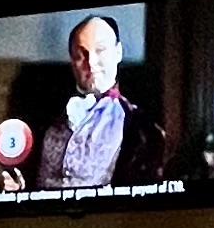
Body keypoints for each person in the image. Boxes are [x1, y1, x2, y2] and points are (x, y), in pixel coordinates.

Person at [25, 13, 162, 193]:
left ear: (118, 53)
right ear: (72, 60)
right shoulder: (41, 113)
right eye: (81, 54)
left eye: (100, 50)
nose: (91, 62)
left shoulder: (142, 128)